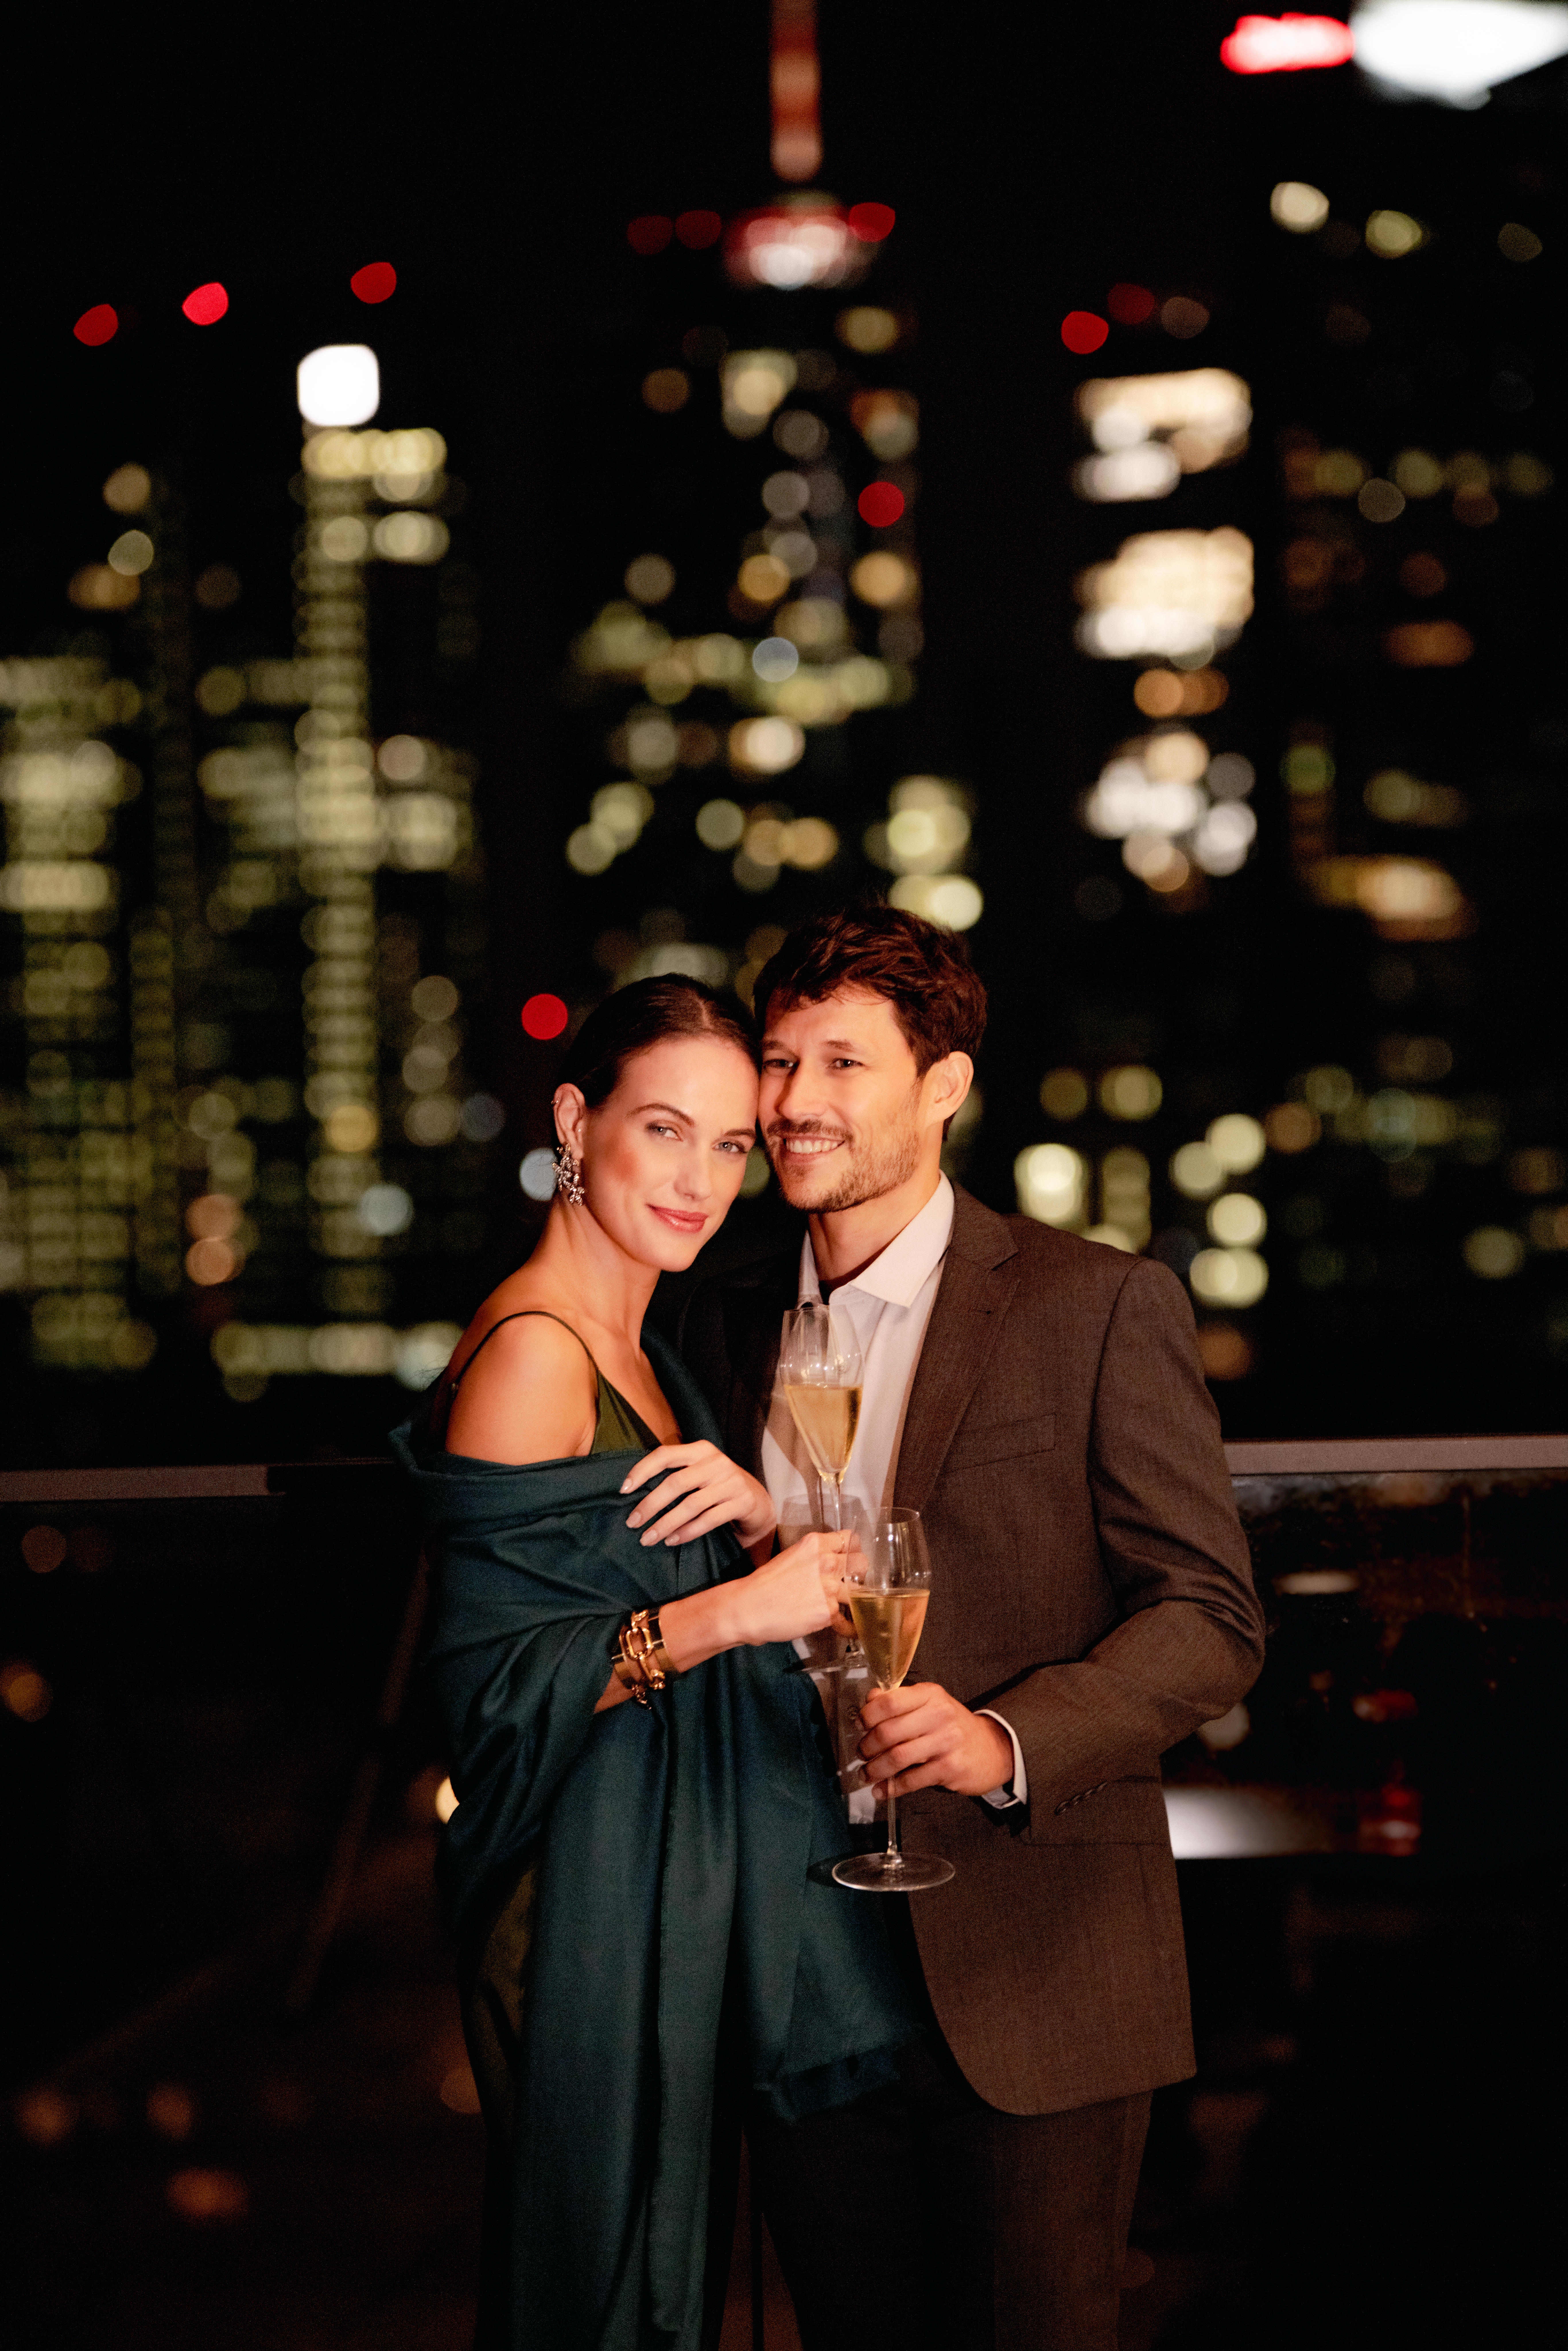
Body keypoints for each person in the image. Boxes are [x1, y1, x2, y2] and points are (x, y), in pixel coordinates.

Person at [680, 907, 1266, 2351]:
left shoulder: (1095, 1305)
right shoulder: (709, 1319)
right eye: (777, 1060)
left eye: (842, 1062)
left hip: (1038, 1955)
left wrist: (1007, 1735)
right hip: (793, 1951)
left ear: (942, 1086)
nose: (796, 1102)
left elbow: (1208, 1615)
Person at [393, 976, 922, 2351]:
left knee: (658, 2277)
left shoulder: (641, 1341)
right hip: (576, 1914)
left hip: (643, 1894)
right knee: (604, 2281)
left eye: (733, 1145)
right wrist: (740, 1610)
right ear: (578, 1121)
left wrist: (758, 1519)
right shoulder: (535, 1354)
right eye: (665, 1130)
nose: (700, 1180)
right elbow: (494, 1701)